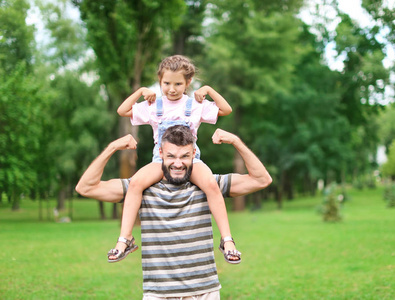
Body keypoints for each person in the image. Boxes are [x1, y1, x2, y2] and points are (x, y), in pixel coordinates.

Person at [75, 126, 272, 299]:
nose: (178, 163)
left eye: (184, 156)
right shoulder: (142, 188)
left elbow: (261, 180)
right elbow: (86, 188)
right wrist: (112, 147)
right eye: (171, 156)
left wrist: (236, 141)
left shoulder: (208, 185)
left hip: (204, 291)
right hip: (158, 293)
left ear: (194, 154)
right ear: (160, 153)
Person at [112, 55, 237, 263]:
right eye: (166, 83)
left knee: (211, 185)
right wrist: (141, 91)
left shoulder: (195, 105)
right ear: (160, 81)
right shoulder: (153, 106)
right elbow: (122, 110)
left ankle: (227, 240)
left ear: (188, 83)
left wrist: (207, 90)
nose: (172, 88)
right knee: (135, 183)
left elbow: (226, 109)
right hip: (160, 161)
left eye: (178, 83)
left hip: (191, 160)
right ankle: (125, 239)